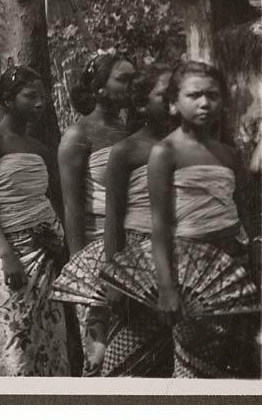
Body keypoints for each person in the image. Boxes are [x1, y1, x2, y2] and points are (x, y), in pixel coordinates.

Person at [145, 60, 259, 377]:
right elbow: (161, 225)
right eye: (194, 95)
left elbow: (242, 214)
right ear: (173, 103)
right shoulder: (165, 152)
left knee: (235, 360)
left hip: (234, 264)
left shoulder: (228, 154)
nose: (205, 103)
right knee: (194, 363)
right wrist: (167, 288)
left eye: (213, 95)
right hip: (191, 270)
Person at [0, 65, 70, 377]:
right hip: (11, 249)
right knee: (20, 333)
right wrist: (7, 255)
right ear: (9, 100)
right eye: (31, 96)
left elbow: (52, 199)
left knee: (52, 333)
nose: (40, 103)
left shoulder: (40, 148)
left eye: (44, 97)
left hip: (47, 250)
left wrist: (61, 242)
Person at [95, 64, 176, 377]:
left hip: (181, 253)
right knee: (130, 355)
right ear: (142, 104)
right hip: (139, 259)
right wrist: (115, 280)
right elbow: (113, 219)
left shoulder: (186, 146)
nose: (173, 102)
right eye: (165, 95)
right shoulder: (126, 151)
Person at [57, 52, 134, 375]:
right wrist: (80, 268)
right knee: (98, 344)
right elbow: (72, 206)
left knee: (128, 337)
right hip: (93, 246)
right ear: (100, 89)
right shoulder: (79, 135)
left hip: (132, 240)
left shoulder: (130, 131)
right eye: (124, 79)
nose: (132, 86)